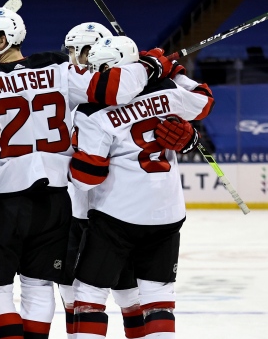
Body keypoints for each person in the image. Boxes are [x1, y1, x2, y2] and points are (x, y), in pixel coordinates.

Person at [0, 5, 172, 339]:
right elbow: (117, 91)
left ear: (1, 39)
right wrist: (144, 65)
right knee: (39, 286)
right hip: (57, 201)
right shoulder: (58, 67)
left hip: (6, 200)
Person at [69, 37, 213, 339]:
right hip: (167, 213)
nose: (99, 76)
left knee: (89, 298)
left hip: (116, 215)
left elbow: (86, 177)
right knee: (158, 298)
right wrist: (172, 70)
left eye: (103, 69)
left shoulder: (93, 111)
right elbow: (203, 99)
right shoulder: (170, 91)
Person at [61, 23, 147, 339]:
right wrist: (148, 66)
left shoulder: (124, 89)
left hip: (112, 211)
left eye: (77, 50)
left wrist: (146, 67)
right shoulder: (70, 85)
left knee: (129, 295)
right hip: (78, 209)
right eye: (69, 50)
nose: (72, 58)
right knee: (75, 297)